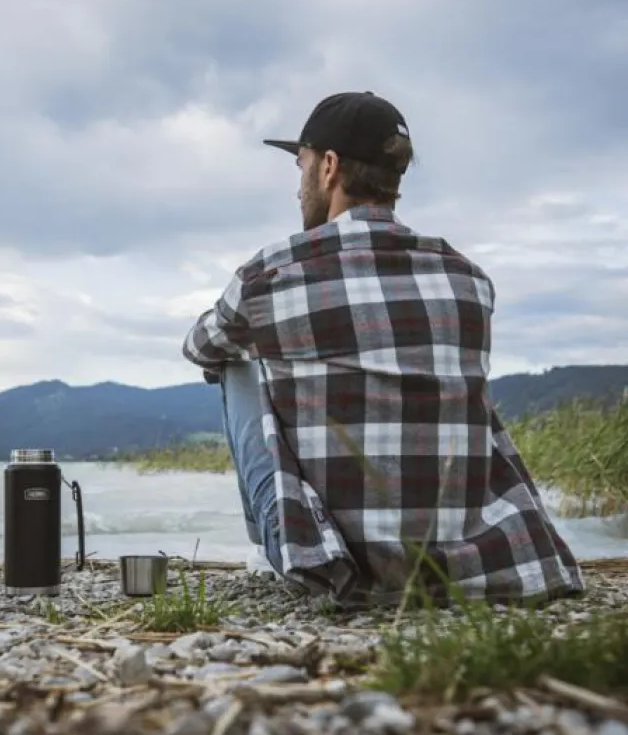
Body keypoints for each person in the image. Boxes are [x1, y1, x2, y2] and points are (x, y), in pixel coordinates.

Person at [182, 91, 583, 608]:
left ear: (329, 167)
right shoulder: (469, 280)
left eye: (301, 166)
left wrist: (261, 346)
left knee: (233, 360)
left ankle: (269, 549)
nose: (298, 187)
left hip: (338, 567)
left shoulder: (273, 274)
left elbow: (199, 346)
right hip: (464, 562)